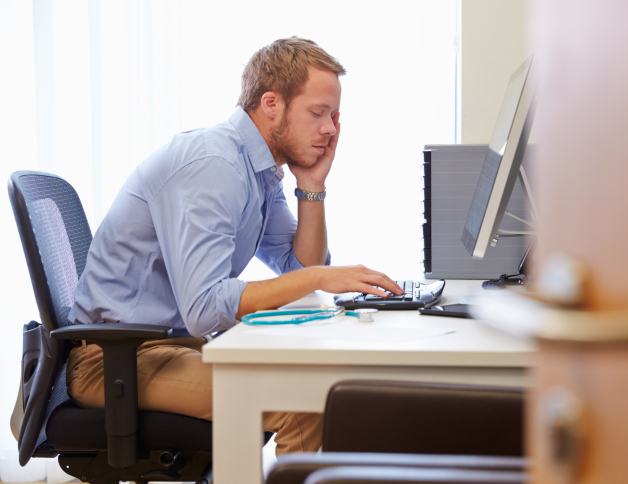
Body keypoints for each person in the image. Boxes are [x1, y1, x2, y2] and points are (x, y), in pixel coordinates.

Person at [67, 37, 402, 455]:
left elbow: (299, 265)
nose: (331, 129)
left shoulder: (257, 168)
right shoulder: (215, 164)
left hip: (167, 348)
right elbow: (204, 307)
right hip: (114, 362)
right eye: (318, 113)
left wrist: (312, 186)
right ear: (271, 103)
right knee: (301, 403)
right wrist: (318, 277)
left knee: (322, 377)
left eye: (334, 116)